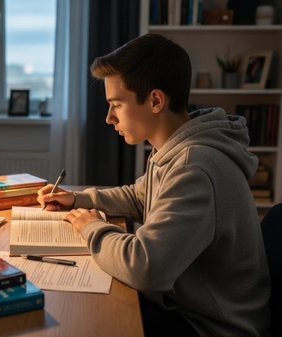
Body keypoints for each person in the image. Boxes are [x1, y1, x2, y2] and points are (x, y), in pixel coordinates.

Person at [37, 34, 270, 337]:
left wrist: (90, 227)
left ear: (156, 100)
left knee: (84, 320)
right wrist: (79, 200)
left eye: (116, 104)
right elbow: (139, 197)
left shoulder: (193, 166)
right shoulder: (176, 146)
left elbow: (144, 268)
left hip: (210, 326)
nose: (109, 118)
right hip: (183, 305)